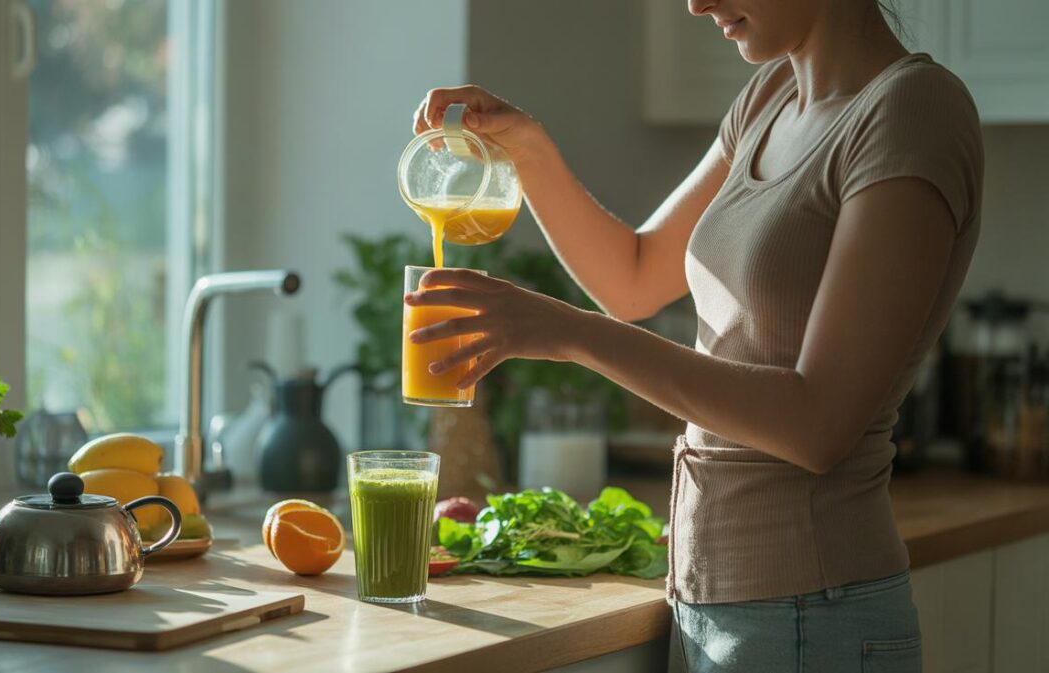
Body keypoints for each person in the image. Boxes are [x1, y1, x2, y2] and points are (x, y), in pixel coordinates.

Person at [406, 0, 982, 671]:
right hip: (714, 600)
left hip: (813, 613)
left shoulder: (912, 111)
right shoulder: (769, 96)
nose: (695, 3)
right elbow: (633, 277)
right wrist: (528, 148)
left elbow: (818, 423)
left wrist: (564, 331)